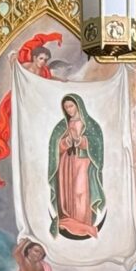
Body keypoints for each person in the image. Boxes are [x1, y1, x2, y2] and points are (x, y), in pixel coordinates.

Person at [0, 32, 64, 187]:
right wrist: (12, 58)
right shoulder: (25, 67)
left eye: (46, 60)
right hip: (21, 99)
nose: (43, 62)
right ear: (35, 58)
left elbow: (48, 80)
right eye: (41, 58)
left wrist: (62, 80)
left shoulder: (44, 72)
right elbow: (13, 63)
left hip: (35, 102)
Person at [49, 94, 105, 240]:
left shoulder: (90, 125)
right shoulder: (62, 126)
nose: (69, 110)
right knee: (67, 193)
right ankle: (67, 220)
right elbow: (55, 147)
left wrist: (81, 140)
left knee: (81, 193)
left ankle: (83, 223)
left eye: (71, 106)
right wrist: (66, 142)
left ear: (78, 105)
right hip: (65, 164)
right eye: (66, 107)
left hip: (82, 162)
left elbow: (97, 144)